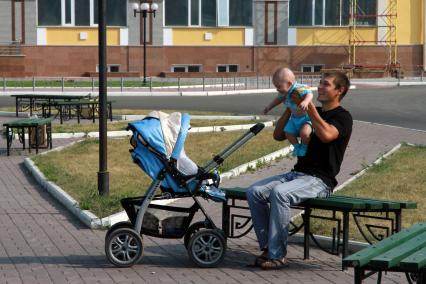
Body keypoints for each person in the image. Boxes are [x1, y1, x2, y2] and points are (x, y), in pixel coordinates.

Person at [247, 71, 353, 270]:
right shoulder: (305, 110)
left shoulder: (343, 116)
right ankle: (269, 247)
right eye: (320, 83)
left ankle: (277, 256)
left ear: (340, 90)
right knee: (254, 192)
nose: (320, 87)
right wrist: (290, 104)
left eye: (326, 84)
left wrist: (309, 106)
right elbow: (278, 135)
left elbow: (327, 135)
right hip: (297, 175)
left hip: (320, 181)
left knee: (280, 194)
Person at [263, 68, 314, 156]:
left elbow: (310, 93)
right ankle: (296, 147)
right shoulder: (283, 93)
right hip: (294, 118)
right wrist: (269, 107)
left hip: (305, 118)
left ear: (289, 84)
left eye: (279, 86)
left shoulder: (299, 88)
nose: (277, 89)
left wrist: (305, 101)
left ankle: (304, 147)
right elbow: (277, 100)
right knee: (288, 133)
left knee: (305, 133)